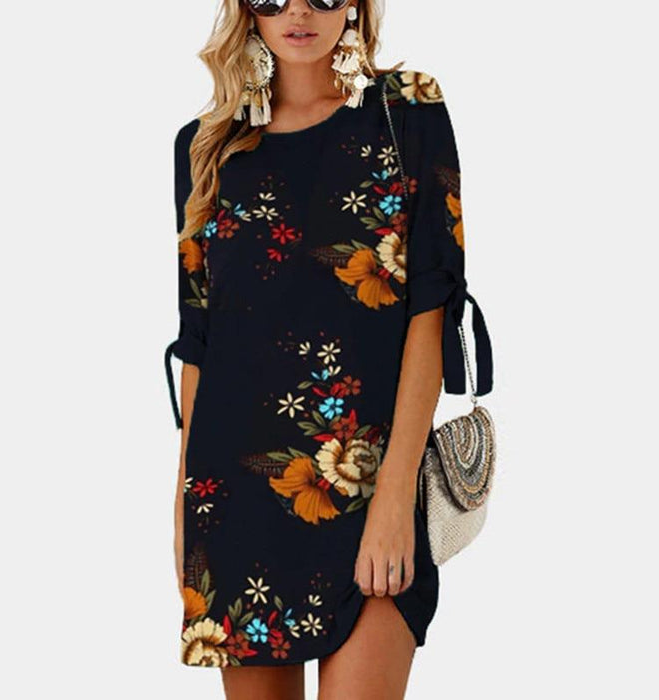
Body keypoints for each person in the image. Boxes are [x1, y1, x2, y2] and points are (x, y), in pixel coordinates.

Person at [163, 1, 493, 697]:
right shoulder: (205, 146)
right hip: (237, 503)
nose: (298, 11)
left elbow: (431, 310)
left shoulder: (408, 112)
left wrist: (393, 502)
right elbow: (200, 342)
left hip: (373, 486)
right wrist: (183, 504)